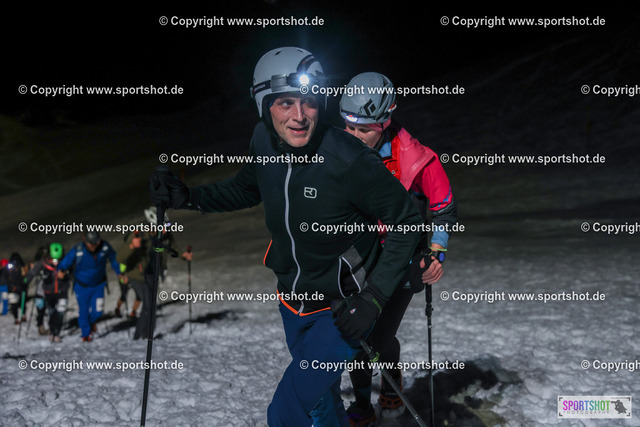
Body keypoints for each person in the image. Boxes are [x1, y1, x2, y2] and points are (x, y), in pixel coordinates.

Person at [149, 46, 424, 426]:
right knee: (321, 401)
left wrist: (373, 299)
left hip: (343, 308)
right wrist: (189, 197)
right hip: (292, 301)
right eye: (285, 103)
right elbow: (246, 189)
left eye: (309, 102)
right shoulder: (262, 140)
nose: (300, 115)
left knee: (286, 410)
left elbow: (407, 221)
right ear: (264, 105)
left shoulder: (348, 158)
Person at [338, 72, 458, 425]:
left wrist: (437, 251)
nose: (354, 136)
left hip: (404, 260)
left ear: (385, 120)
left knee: (374, 336)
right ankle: (363, 405)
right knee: (358, 334)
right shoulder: (338, 150)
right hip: (359, 257)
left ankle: (383, 388)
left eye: (364, 129)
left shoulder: (419, 159)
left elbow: (444, 208)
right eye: (349, 126)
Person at [57, 231, 122, 341]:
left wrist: (119, 272)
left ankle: (91, 322)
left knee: (98, 311)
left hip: (98, 285)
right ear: (85, 241)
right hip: (81, 286)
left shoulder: (105, 247)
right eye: (90, 243)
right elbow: (64, 262)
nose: (93, 246)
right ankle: (86, 334)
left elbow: (114, 259)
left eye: (96, 243)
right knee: (84, 311)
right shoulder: (78, 250)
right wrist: (60, 270)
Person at [24, 243, 71, 342]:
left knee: (61, 310)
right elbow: (33, 273)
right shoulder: (43, 263)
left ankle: (56, 333)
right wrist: (25, 282)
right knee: (52, 312)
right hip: (49, 292)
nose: (56, 261)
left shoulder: (66, 261)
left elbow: (74, 271)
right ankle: (52, 331)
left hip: (62, 291)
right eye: (54, 258)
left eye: (58, 258)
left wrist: (66, 273)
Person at [1, 253, 27, 324]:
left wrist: (24, 284)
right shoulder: (10, 267)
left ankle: (21, 316)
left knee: (21, 302)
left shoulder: (22, 267)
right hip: (14, 287)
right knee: (15, 303)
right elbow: (6, 277)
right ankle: (17, 318)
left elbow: (25, 277)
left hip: (19, 287)